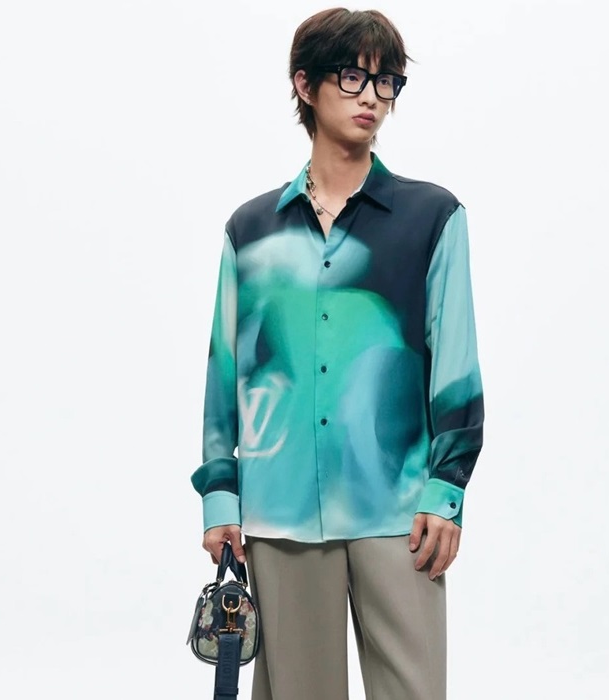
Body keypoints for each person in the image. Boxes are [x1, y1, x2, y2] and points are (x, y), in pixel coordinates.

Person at [191, 8, 484, 699]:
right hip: (281, 513)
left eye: (386, 82)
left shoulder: (432, 217)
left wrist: (446, 491)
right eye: (352, 77)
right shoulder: (251, 231)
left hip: (399, 511)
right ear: (305, 84)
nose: (371, 97)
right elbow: (225, 376)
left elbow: (456, 368)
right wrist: (220, 496)